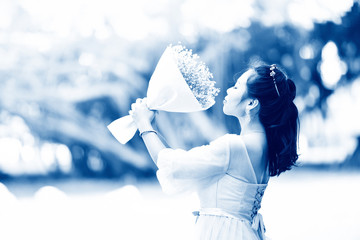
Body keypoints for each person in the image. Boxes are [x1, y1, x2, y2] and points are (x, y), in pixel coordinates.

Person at [130, 63, 299, 240]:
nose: (228, 90)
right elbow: (176, 160)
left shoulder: (234, 146)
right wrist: (152, 127)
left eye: (236, 87)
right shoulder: (263, 145)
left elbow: (172, 165)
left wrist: (143, 124)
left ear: (251, 103)